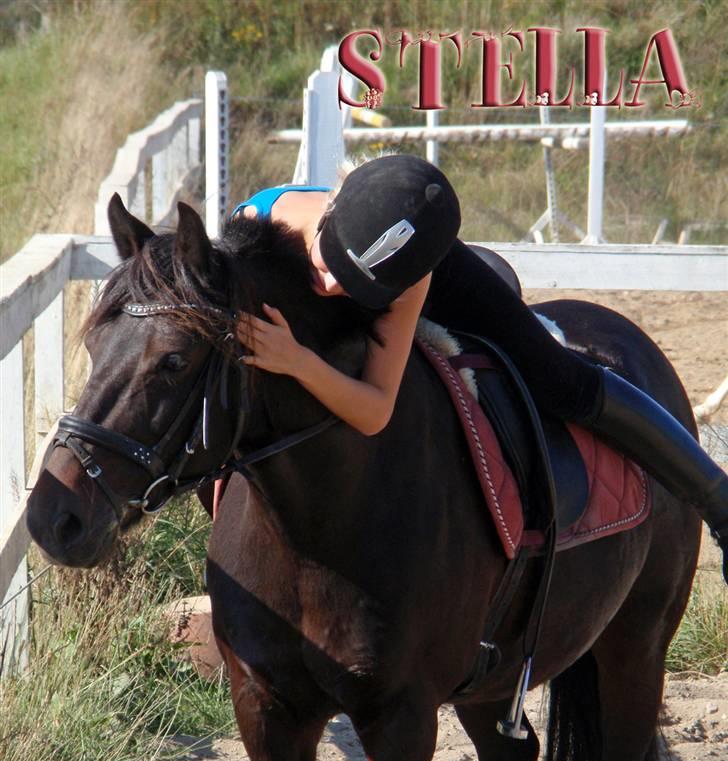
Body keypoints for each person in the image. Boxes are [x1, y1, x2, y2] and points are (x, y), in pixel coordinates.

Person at [232, 154, 728, 582]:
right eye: (326, 262)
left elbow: (376, 409)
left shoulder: (411, 281)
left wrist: (299, 362)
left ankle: (719, 500)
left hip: (440, 276)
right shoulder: (256, 220)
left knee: (560, 382)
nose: (331, 285)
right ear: (326, 218)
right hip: (365, 243)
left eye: (349, 283)